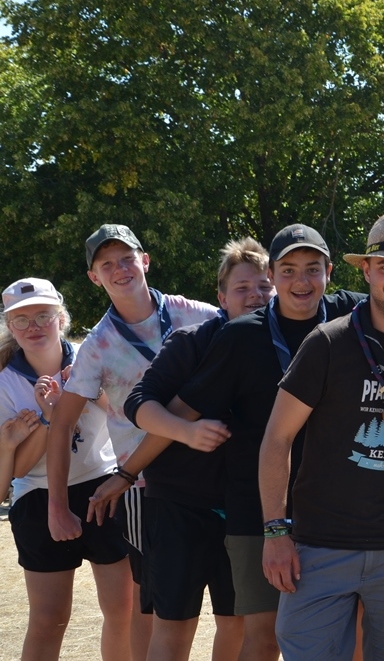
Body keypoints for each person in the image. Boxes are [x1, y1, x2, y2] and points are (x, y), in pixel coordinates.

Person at [260, 214, 384, 660]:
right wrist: (275, 532)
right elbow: (277, 438)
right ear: (366, 270)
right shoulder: (327, 344)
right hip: (320, 546)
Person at [164, 224, 364, 660]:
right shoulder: (240, 336)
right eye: (288, 270)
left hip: (336, 511)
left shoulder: (353, 318)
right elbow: (184, 409)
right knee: (264, 638)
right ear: (272, 275)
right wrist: (128, 470)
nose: (301, 281)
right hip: (257, 511)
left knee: (348, 635)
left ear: (329, 272)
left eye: (312, 269)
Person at [87, 237, 276, 661]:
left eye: (264, 286)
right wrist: (184, 432)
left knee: (238, 623)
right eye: (242, 288)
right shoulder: (191, 341)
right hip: (179, 505)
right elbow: (139, 405)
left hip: (248, 509)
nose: (255, 295)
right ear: (221, 298)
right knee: (173, 626)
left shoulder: (289, 346)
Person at [46, 224, 220, 660]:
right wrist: (57, 506)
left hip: (214, 470)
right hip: (145, 485)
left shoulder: (195, 313)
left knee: (231, 605)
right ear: (94, 277)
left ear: (145, 260)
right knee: (153, 605)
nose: (120, 269)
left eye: (127, 258)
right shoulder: (98, 345)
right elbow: (62, 424)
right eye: (107, 264)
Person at [1, 277, 133, 660]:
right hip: (37, 497)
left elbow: (125, 415)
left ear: (61, 318)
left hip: (103, 486)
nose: (34, 327)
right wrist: (50, 419)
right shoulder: (5, 382)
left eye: (43, 316)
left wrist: (86, 390)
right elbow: (17, 468)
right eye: (21, 320)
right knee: (50, 618)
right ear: (10, 327)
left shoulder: (93, 356)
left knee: (123, 611)